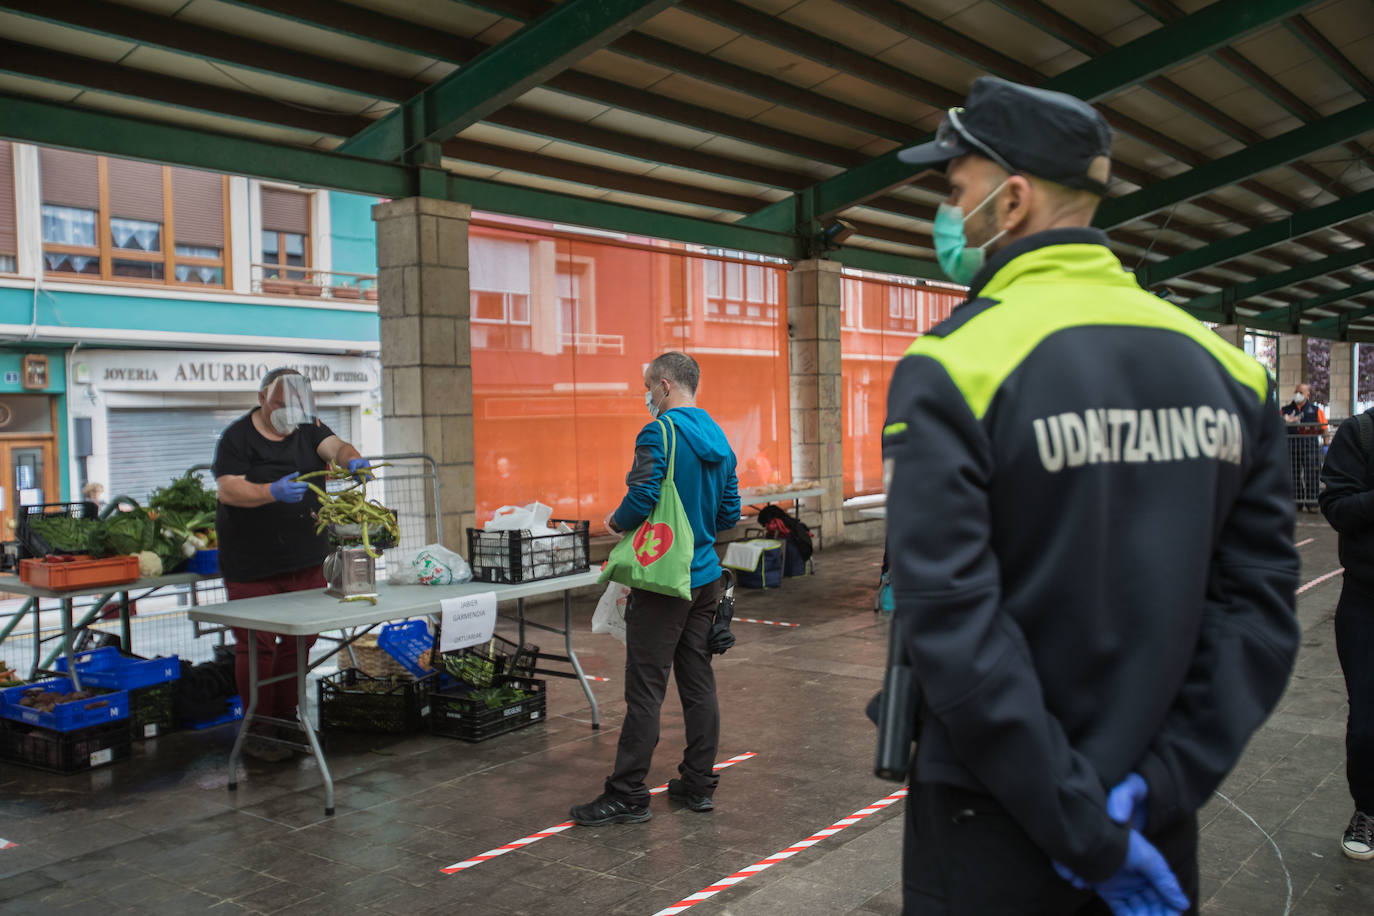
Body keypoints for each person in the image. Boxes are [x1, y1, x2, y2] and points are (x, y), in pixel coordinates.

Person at [881, 76, 1300, 915]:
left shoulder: (953, 367)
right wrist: (1164, 782)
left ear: (1013, 201)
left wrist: (1079, 829)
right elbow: (1258, 610)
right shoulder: (1230, 373)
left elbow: (953, 625)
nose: (948, 215)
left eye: (956, 190)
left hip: (993, 827)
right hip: (1153, 824)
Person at [570, 352, 740, 825]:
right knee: (698, 683)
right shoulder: (719, 437)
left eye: (648, 387)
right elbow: (729, 513)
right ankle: (698, 785)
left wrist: (616, 521)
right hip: (704, 578)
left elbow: (643, 496)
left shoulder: (659, 432)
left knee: (646, 688)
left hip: (664, 581)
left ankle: (627, 793)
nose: (646, 396)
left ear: (665, 385)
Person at [212, 368, 369, 762]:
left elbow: (337, 447)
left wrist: (353, 460)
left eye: (295, 405)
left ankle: (286, 717)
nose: (288, 413)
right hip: (252, 565)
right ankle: (258, 728)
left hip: (304, 559)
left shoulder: (309, 426)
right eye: (281, 404)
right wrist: (271, 492)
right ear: (263, 399)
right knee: (257, 645)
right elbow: (228, 489)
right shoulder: (237, 437)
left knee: (301, 640)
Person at [1317, 408, 1374, 862]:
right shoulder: (1362, 433)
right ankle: (1368, 810)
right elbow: (1337, 508)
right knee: (1367, 724)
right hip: (1366, 601)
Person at [1281, 382, 1326, 510]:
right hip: (1291, 448)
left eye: (1300, 392)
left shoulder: (1316, 410)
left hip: (1310, 448)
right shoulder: (1285, 410)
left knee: (1312, 475)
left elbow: (1324, 428)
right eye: (1296, 392)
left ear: (1307, 395)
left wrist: (1326, 446)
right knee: (1293, 475)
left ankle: (1312, 503)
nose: (1297, 395)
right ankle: (1297, 502)